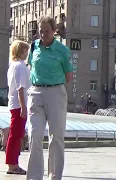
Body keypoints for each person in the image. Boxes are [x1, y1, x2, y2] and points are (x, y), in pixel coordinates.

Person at [26, 15, 72, 180]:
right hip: (36, 93)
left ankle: (55, 176)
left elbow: (68, 76)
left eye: (47, 31)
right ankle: (34, 177)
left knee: (56, 137)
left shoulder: (62, 50)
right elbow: (32, 67)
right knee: (35, 134)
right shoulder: (34, 47)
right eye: (41, 31)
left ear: (54, 31)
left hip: (55, 93)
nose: (43, 34)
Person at [6, 40, 31, 175]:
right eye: (26, 50)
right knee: (15, 135)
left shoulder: (13, 65)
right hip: (19, 105)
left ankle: (13, 163)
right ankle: (12, 165)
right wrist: (23, 107)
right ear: (21, 51)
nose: (27, 53)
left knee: (16, 135)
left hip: (14, 104)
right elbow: (21, 88)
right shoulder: (20, 66)